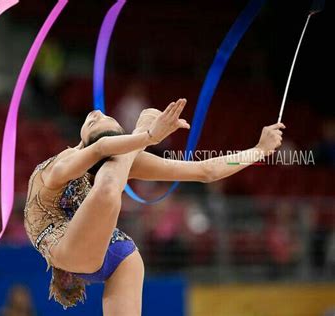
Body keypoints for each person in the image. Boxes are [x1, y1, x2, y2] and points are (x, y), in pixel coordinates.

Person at [24, 99, 285, 315]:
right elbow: (100, 148)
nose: (97, 112)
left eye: (100, 118)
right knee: (111, 179)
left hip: (118, 254)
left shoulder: (120, 161)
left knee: (114, 174)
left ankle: (133, 140)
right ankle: (133, 139)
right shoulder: (59, 165)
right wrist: (145, 136)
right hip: (67, 249)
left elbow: (206, 171)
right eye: (97, 118)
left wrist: (259, 150)